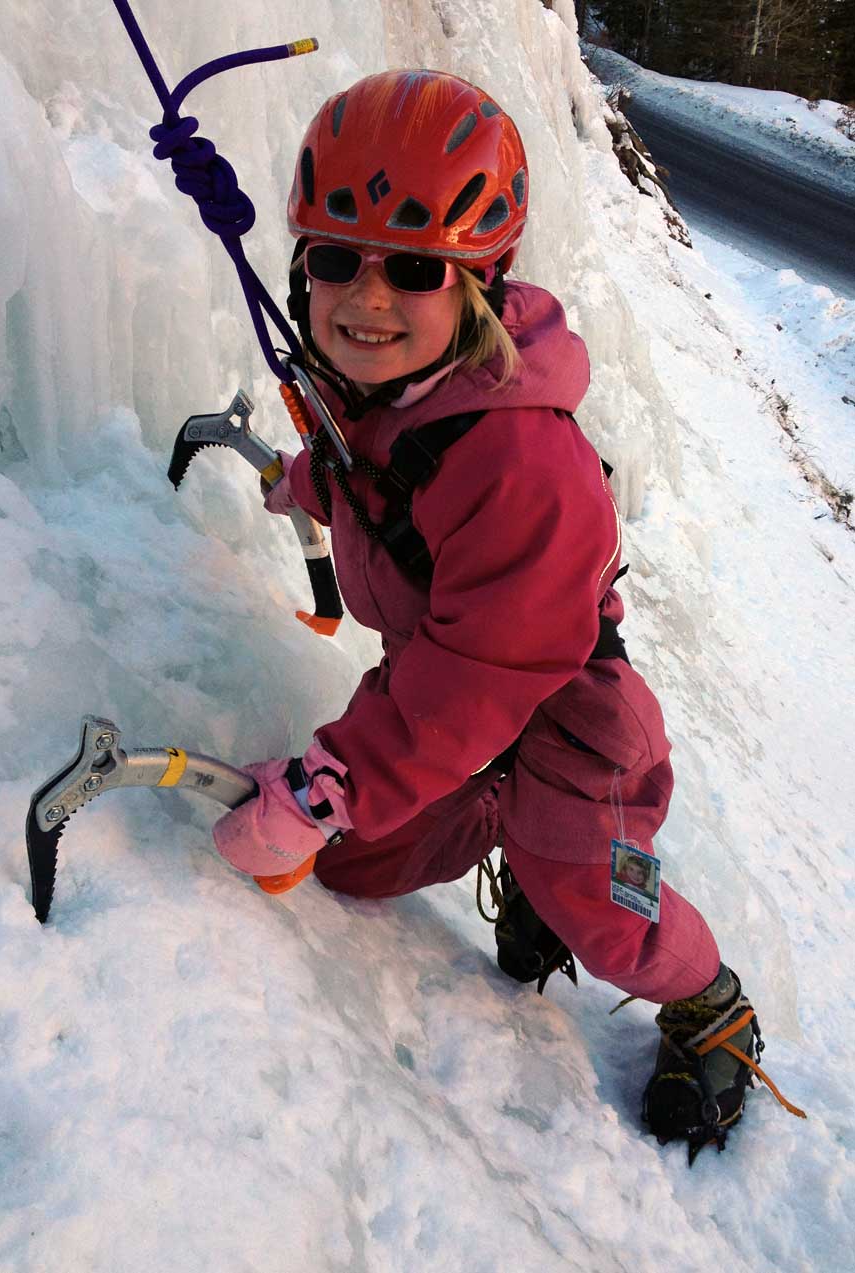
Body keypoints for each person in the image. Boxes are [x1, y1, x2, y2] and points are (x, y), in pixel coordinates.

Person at [212, 69, 795, 1161]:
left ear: (476, 284)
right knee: (348, 867)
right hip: (454, 714)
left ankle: (710, 1001)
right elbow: (368, 478)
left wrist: (335, 777)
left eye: (415, 269)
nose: (366, 296)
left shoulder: (526, 463)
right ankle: (506, 839)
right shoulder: (380, 393)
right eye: (335, 258)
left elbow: (481, 671)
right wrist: (301, 483)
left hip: (568, 725)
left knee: (600, 913)